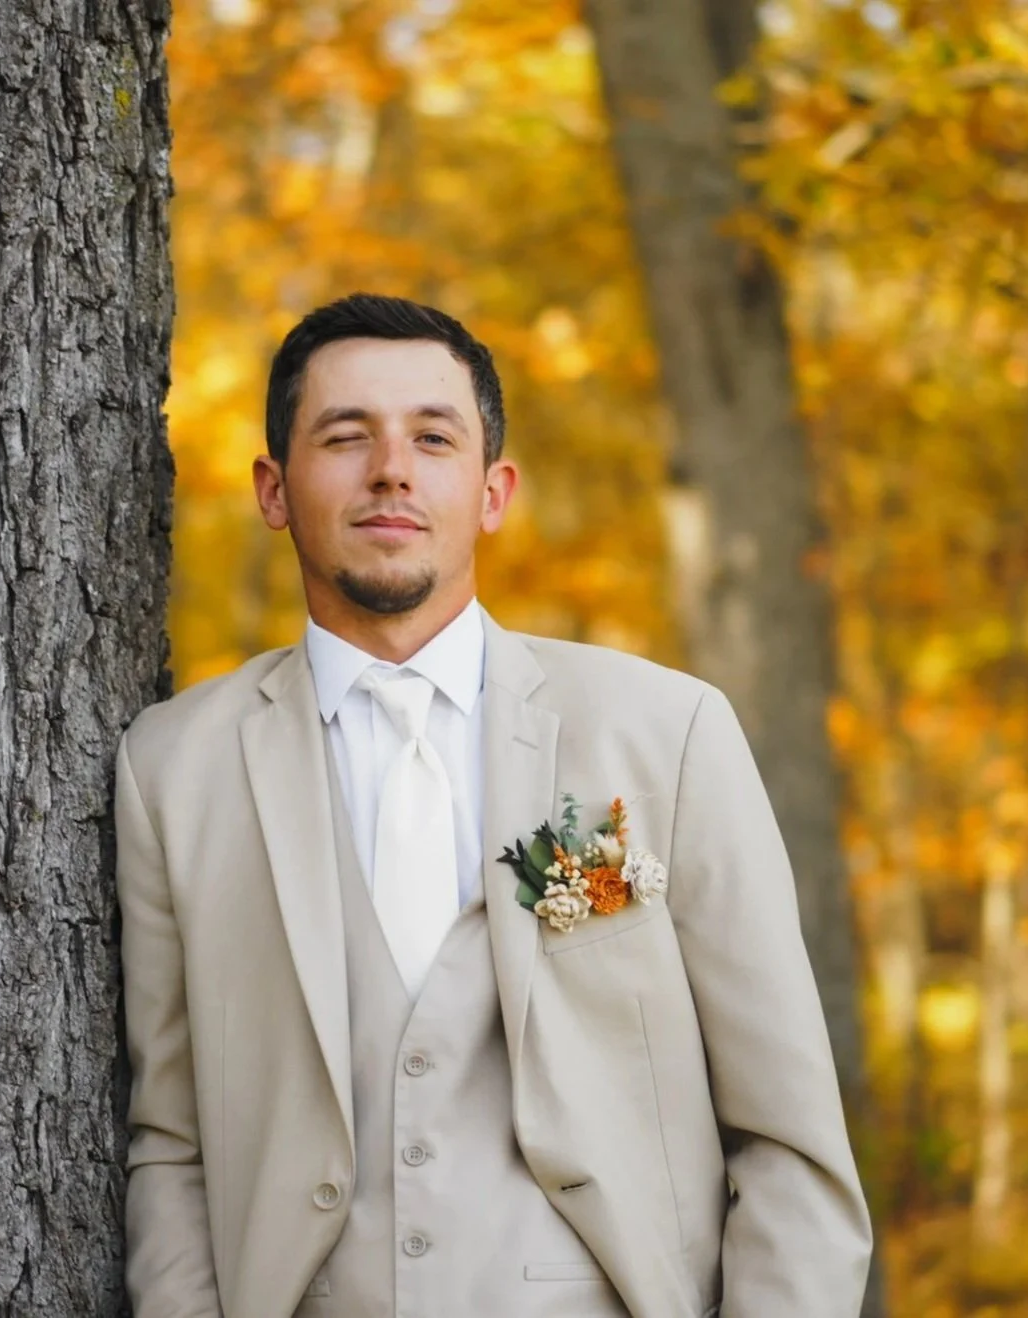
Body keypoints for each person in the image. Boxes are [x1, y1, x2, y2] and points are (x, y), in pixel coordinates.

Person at [114, 293, 872, 1318]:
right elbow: (174, 1145)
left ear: (492, 490)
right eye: (345, 437)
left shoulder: (664, 734)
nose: (392, 468)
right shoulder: (173, 770)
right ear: (275, 490)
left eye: (434, 437)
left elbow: (790, 1144)